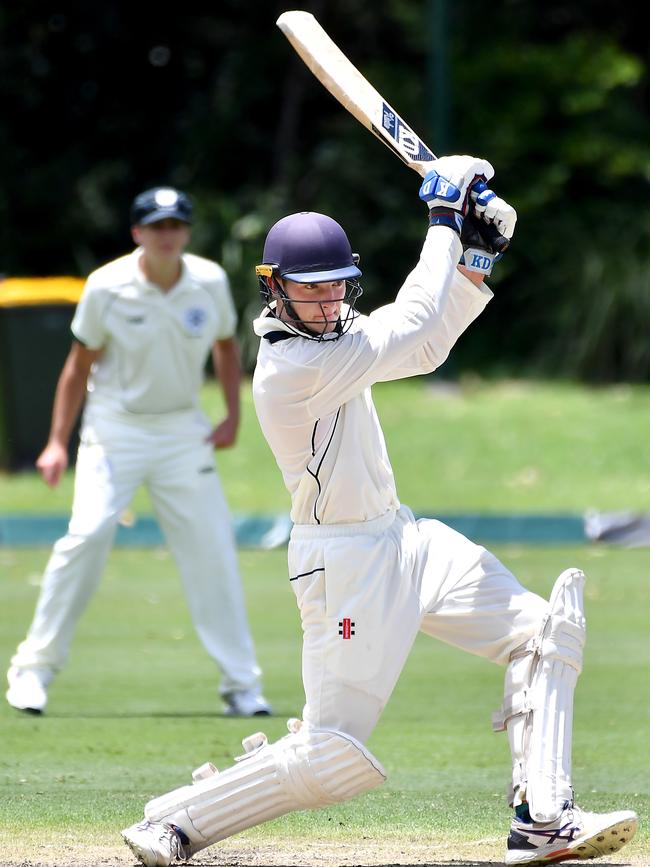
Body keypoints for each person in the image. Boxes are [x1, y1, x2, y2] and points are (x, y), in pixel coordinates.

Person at [121, 156, 637, 866]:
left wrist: (475, 258)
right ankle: (175, 822)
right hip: (345, 565)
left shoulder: (336, 339)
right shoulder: (289, 368)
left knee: (543, 632)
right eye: (312, 291)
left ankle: (541, 820)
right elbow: (415, 316)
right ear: (274, 290)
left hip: (404, 537)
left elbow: (422, 344)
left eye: (338, 287)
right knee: (333, 753)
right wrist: (443, 222)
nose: (330, 303)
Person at [6, 186, 271, 719]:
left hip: (182, 431)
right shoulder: (107, 286)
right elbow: (78, 366)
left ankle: (242, 686)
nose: (167, 235)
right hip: (115, 428)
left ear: (187, 232)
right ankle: (32, 671)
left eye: (176, 226)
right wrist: (58, 442)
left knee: (213, 547)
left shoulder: (209, 281)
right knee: (87, 535)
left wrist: (232, 417)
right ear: (137, 233)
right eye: (156, 226)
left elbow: (224, 347)